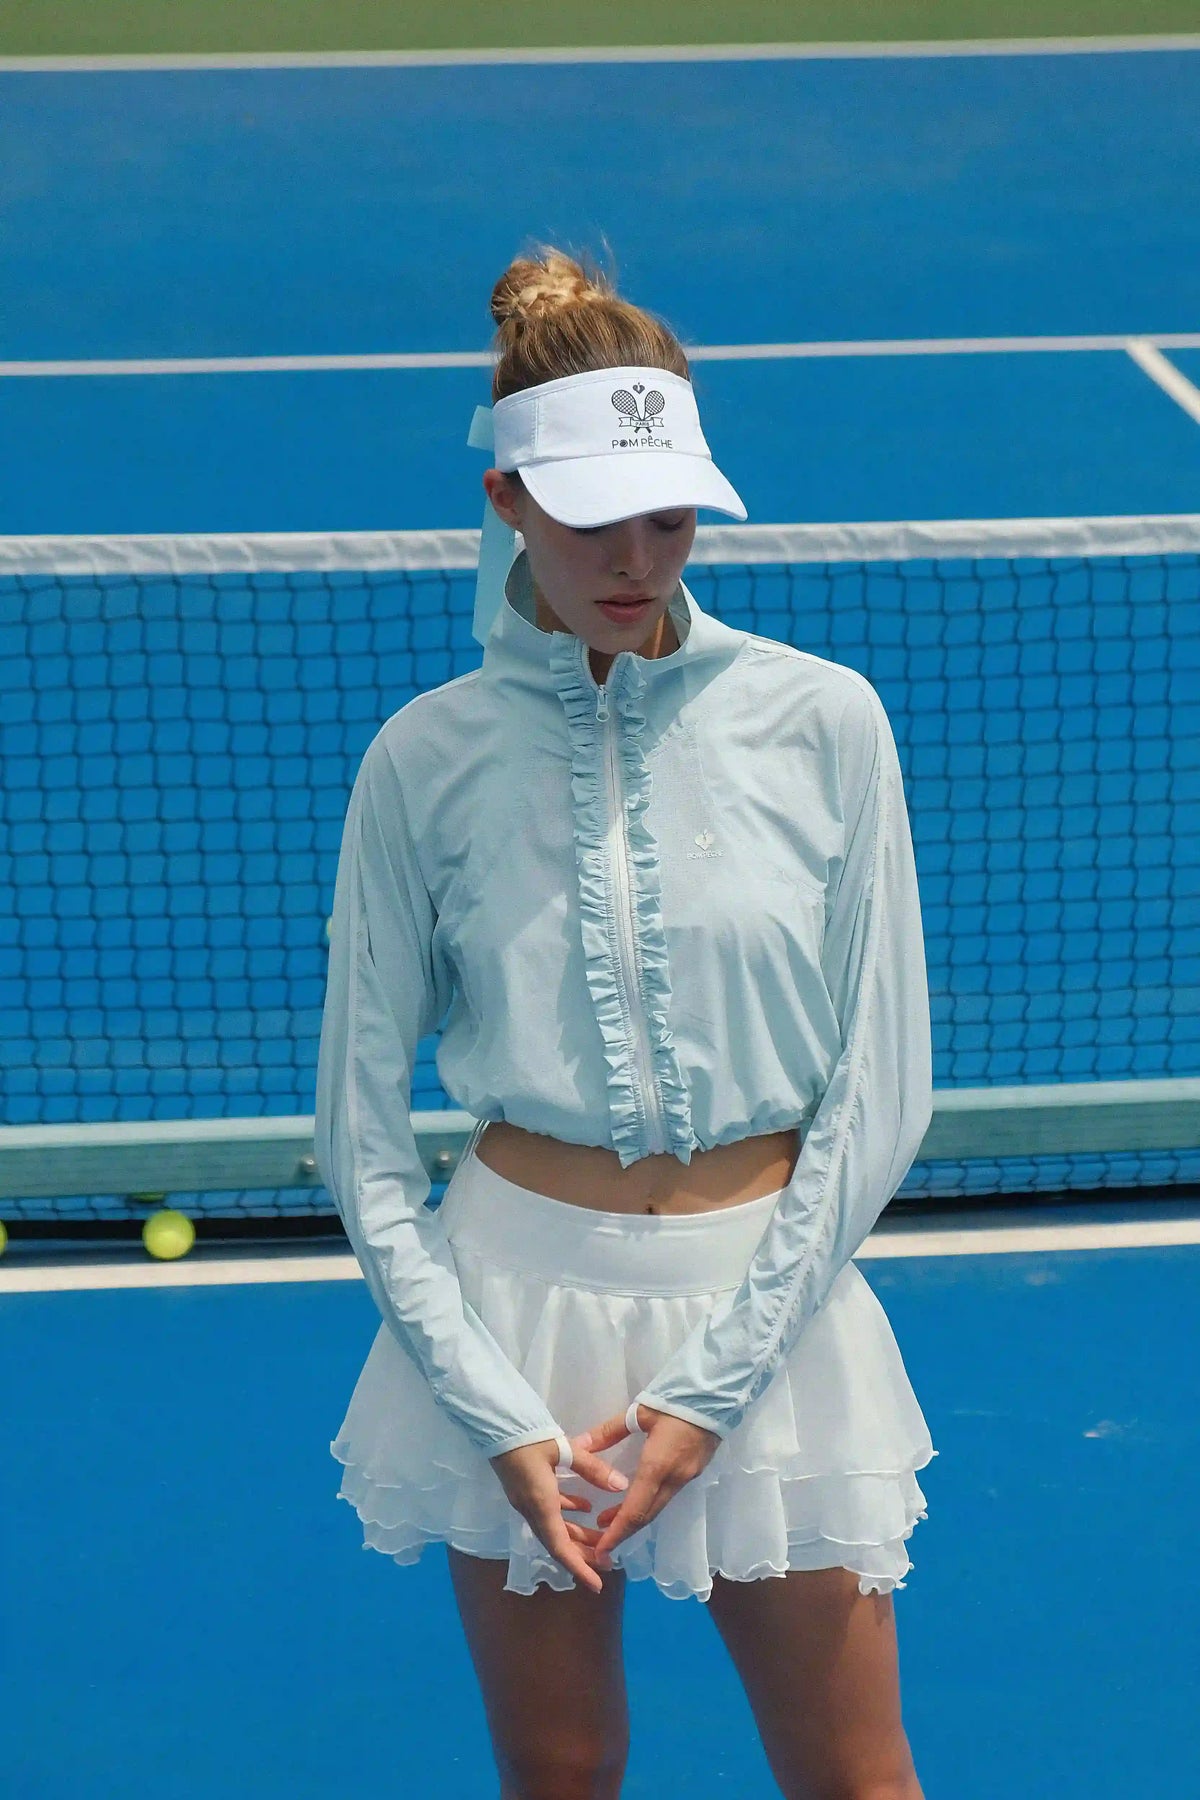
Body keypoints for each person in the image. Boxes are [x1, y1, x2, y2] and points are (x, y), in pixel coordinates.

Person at [315, 245, 937, 1800]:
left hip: (770, 1322)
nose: (638, 560)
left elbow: (883, 1090)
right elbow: (356, 1131)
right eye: (595, 519)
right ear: (509, 499)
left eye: (671, 518)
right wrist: (487, 1404)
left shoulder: (827, 722)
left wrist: (712, 1391)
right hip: (508, 1325)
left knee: (859, 1782)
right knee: (563, 1772)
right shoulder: (420, 764)